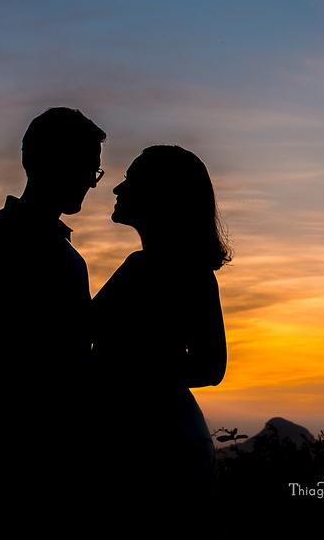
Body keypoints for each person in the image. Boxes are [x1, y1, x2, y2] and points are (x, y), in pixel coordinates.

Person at [0, 107, 106, 513]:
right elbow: (3, 362)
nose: (91, 183)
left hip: (58, 467)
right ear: (41, 161)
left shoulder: (72, 259)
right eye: (86, 167)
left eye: (96, 172)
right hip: (5, 469)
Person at [90, 145, 230, 524]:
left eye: (130, 181)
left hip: (168, 447)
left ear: (161, 195)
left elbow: (210, 366)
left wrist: (130, 368)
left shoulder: (193, 274)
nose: (117, 190)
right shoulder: (136, 265)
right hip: (130, 443)